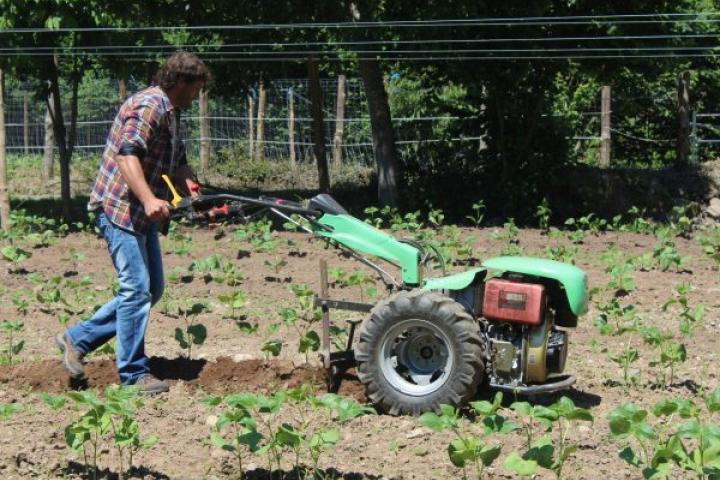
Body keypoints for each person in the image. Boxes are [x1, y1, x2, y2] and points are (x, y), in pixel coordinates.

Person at [55, 51, 211, 394]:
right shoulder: (148, 106)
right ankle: (133, 375)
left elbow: (179, 164)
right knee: (136, 289)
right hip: (120, 208)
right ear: (180, 82)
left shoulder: (172, 115)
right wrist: (149, 198)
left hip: (139, 214)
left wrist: (199, 196)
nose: (197, 96)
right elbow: (127, 156)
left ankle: (77, 338)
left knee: (151, 289)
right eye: (196, 88)